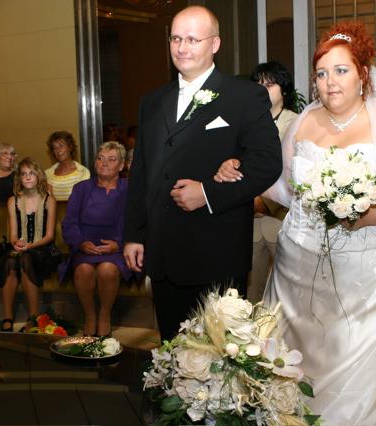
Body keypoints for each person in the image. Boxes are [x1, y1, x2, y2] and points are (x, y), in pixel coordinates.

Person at [216, 21, 376, 425]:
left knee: (364, 367)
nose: (329, 81)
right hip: (299, 265)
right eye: (321, 73)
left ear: (362, 75)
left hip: (373, 273)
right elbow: (283, 186)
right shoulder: (304, 123)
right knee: (298, 359)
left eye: (340, 70)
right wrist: (241, 171)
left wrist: (366, 215)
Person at [122, 5, 282, 341]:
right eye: (175, 39)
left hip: (215, 253)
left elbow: (267, 163)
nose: (182, 47)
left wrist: (208, 193)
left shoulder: (244, 96)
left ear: (215, 44)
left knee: (219, 356)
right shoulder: (152, 101)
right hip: (163, 254)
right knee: (171, 351)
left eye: (192, 39)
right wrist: (135, 234)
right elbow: (141, 173)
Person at [60, 142, 131, 337]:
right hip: (85, 248)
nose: (104, 163)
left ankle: (104, 316)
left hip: (117, 250)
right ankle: (90, 316)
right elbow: (69, 224)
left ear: (121, 165)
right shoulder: (81, 189)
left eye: (111, 159)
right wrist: (81, 243)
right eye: (100, 158)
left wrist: (119, 244)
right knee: (83, 270)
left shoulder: (130, 189)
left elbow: (139, 224)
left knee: (107, 269)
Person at [248, 61, 299, 302]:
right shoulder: (246, 121)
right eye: (258, 84)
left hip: (282, 217)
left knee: (288, 292)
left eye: (269, 85)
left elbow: (293, 172)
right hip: (249, 218)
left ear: (284, 90)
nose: (262, 89)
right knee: (250, 294)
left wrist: (263, 202)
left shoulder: (296, 123)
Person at [0, 157, 59, 332]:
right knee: (10, 260)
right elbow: (13, 234)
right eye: (24, 174)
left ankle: (33, 317)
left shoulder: (49, 200)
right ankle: (8, 317)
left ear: (39, 176)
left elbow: (50, 236)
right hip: (21, 245)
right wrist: (16, 243)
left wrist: (30, 246)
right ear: (19, 179)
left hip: (44, 248)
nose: (28, 177)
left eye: (31, 173)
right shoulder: (13, 201)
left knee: (25, 259)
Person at [44, 131, 90, 202]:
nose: (58, 151)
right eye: (54, 148)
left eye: (61, 146)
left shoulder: (83, 172)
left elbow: (84, 201)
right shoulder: (47, 174)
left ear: (70, 147)